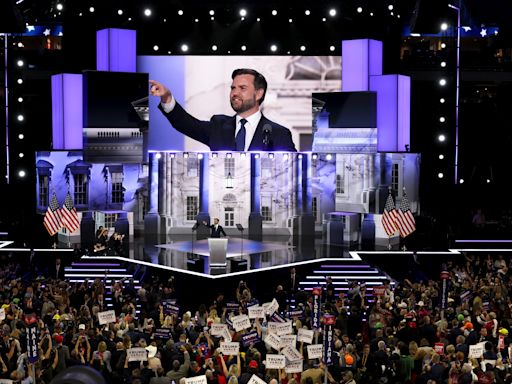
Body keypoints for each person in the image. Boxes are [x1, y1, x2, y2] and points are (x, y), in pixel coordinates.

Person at [149, 68, 297, 152]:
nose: (234, 93)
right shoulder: (218, 125)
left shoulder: (279, 134)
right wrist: (167, 98)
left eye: (242, 88)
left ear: (259, 93)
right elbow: (187, 124)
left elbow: (291, 174)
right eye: (233, 88)